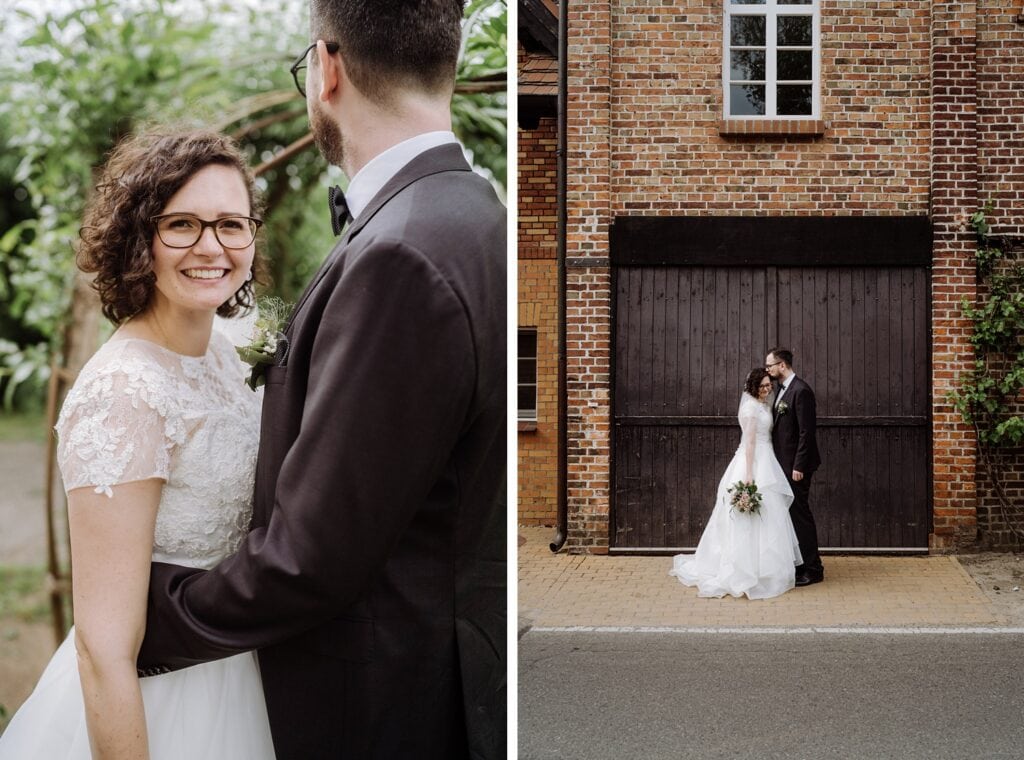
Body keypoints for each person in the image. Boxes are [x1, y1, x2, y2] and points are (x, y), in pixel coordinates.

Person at [136, 2, 507, 759]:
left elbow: (312, 558)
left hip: (378, 710)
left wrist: (143, 614)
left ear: (325, 68)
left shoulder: (401, 255)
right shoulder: (476, 213)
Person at [0, 129, 276, 758]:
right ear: (138, 238)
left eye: (231, 224)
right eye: (182, 224)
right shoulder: (122, 394)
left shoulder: (234, 351)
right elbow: (104, 648)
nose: (212, 247)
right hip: (161, 699)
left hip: (247, 671)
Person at [669, 368, 803, 599]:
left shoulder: (763, 404)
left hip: (768, 458)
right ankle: (743, 568)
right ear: (752, 387)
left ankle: (767, 568)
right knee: (748, 517)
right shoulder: (750, 408)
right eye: (762, 386)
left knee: (769, 516)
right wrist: (749, 474)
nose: (767, 389)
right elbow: (749, 443)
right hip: (753, 462)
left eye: (768, 385)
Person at [766, 347, 823, 586]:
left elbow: (806, 433)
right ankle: (799, 565)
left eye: (770, 365)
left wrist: (798, 466)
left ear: (782, 365)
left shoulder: (801, 391)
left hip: (796, 468)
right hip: (783, 465)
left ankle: (814, 569)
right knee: (789, 516)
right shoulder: (781, 390)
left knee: (800, 516)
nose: (767, 369)